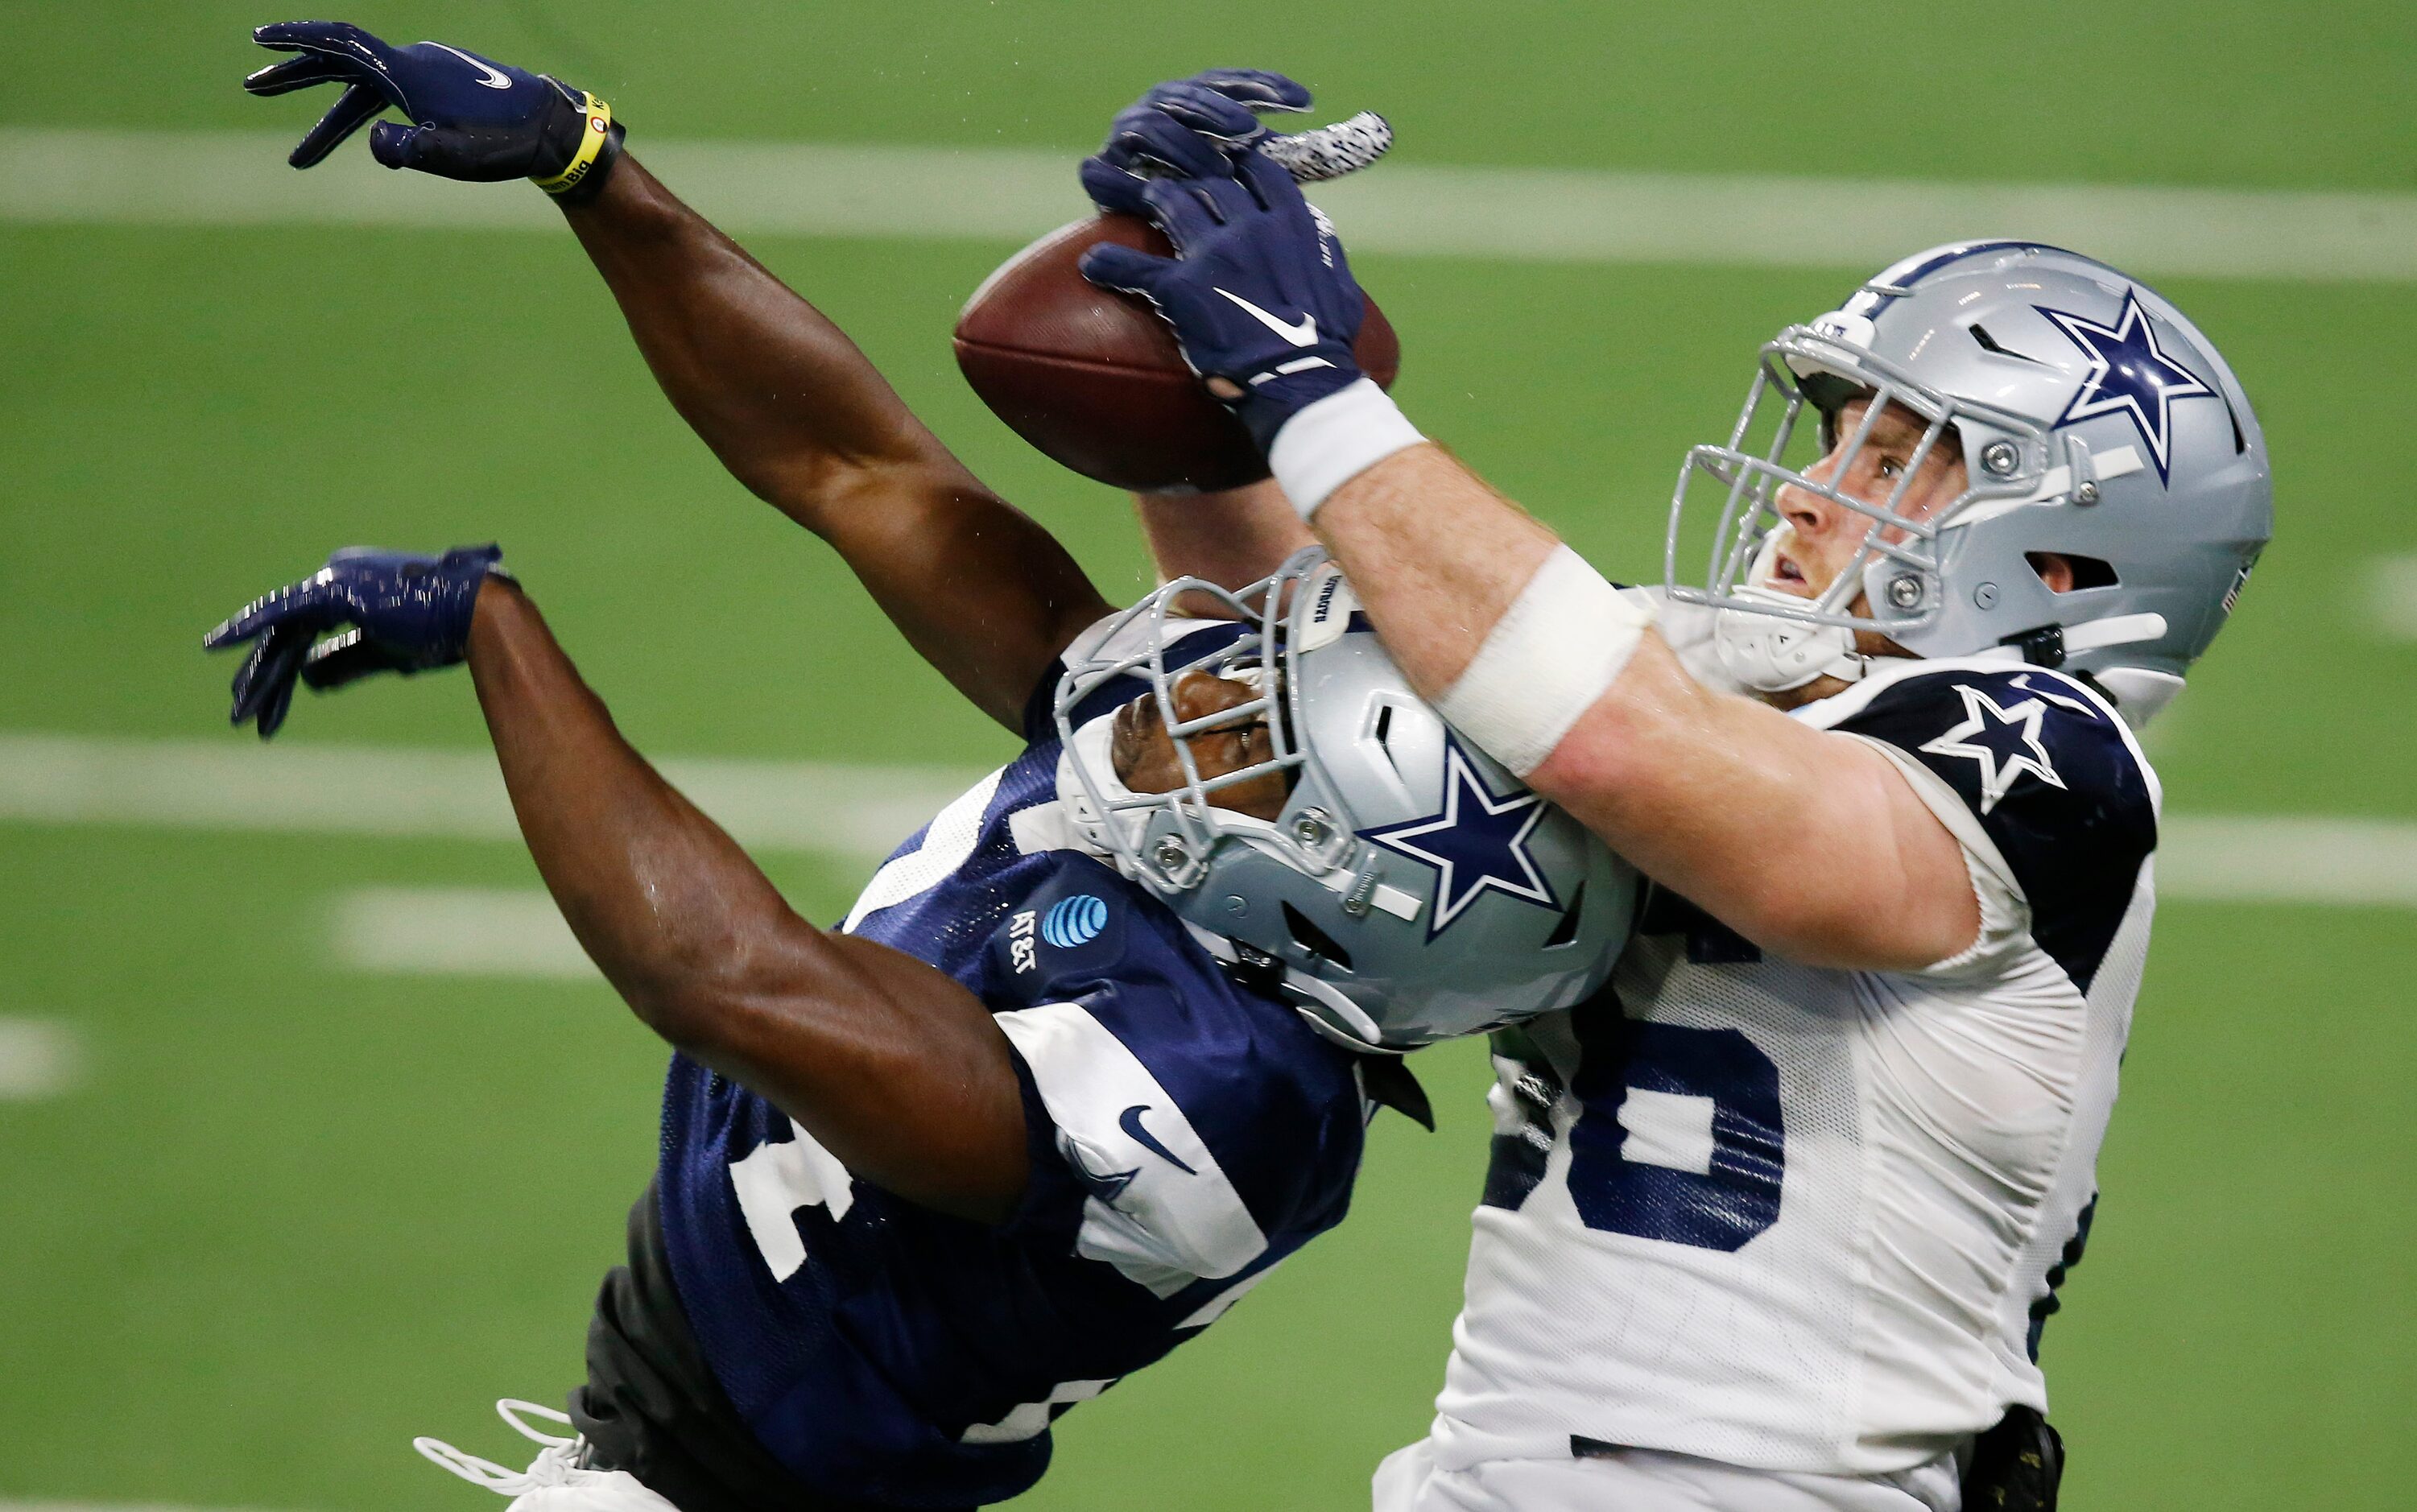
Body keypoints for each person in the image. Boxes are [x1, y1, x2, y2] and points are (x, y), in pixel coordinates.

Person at [221, 25, 1633, 1512]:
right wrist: (592, 169)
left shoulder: (1217, 1100)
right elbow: (857, 469)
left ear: (1338, 900)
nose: (1209, 679)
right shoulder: (1201, 840)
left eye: (1261, 736)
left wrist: (492, 629)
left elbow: (723, 978)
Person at [1074, 76, 2272, 1512]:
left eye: (1890, 459)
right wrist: (1195, 373)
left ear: (2063, 562)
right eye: (1837, 441)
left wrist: (1314, 396)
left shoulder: (2050, 755)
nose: (1811, 491)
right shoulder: (1731, 690)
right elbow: (1290, 665)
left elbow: (1616, 745)